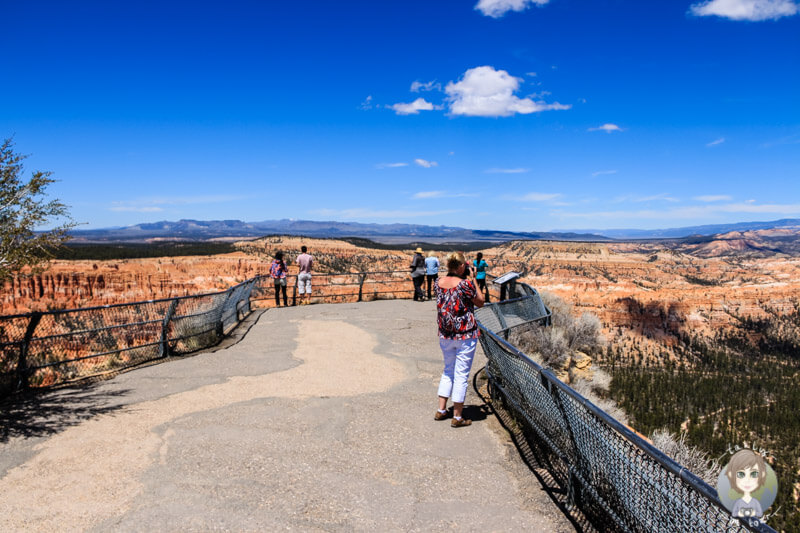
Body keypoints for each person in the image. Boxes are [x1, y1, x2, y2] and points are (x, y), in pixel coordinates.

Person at [433, 251, 485, 427]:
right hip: (465, 335)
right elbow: (480, 301)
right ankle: (457, 416)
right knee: (461, 374)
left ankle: (441, 410)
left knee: (448, 370)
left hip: (445, 334)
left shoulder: (437, 283)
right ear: (462, 266)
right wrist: (474, 279)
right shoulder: (465, 285)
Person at [726, 449, 767, 519]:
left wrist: (751, 512)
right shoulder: (739, 502)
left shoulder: (754, 502)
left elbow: (759, 513)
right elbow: (734, 513)